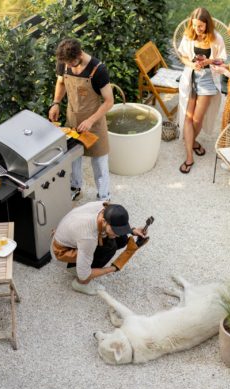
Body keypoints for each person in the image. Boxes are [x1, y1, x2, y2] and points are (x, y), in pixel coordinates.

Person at [48, 38, 114, 201]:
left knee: (99, 162)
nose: (68, 66)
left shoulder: (98, 70)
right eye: (66, 64)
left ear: (79, 54)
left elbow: (109, 101)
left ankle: (104, 197)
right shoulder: (64, 63)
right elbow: (61, 83)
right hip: (73, 119)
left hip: (95, 123)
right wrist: (56, 103)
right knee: (73, 158)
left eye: (71, 63)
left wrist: (91, 121)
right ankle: (75, 188)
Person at [51, 201, 149, 295]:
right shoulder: (88, 237)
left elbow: (115, 227)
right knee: (109, 248)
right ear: (103, 221)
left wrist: (131, 230)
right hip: (61, 253)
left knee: (122, 239)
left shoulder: (105, 206)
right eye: (115, 230)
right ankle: (80, 283)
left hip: (70, 236)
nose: (117, 234)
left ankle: (84, 263)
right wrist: (114, 268)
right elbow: (84, 274)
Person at [176, 8, 226, 174]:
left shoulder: (216, 38)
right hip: (191, 77)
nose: (198, 29)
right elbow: (182, 56)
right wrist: (192, 64)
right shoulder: (189, 35)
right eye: (195, 25)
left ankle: (191, 141)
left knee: (197, 119)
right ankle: (189, 155)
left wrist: (208, 61)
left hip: (208, 80)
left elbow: (222, 60)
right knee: (188, 117)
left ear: (207, 25)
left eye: (201, 26)